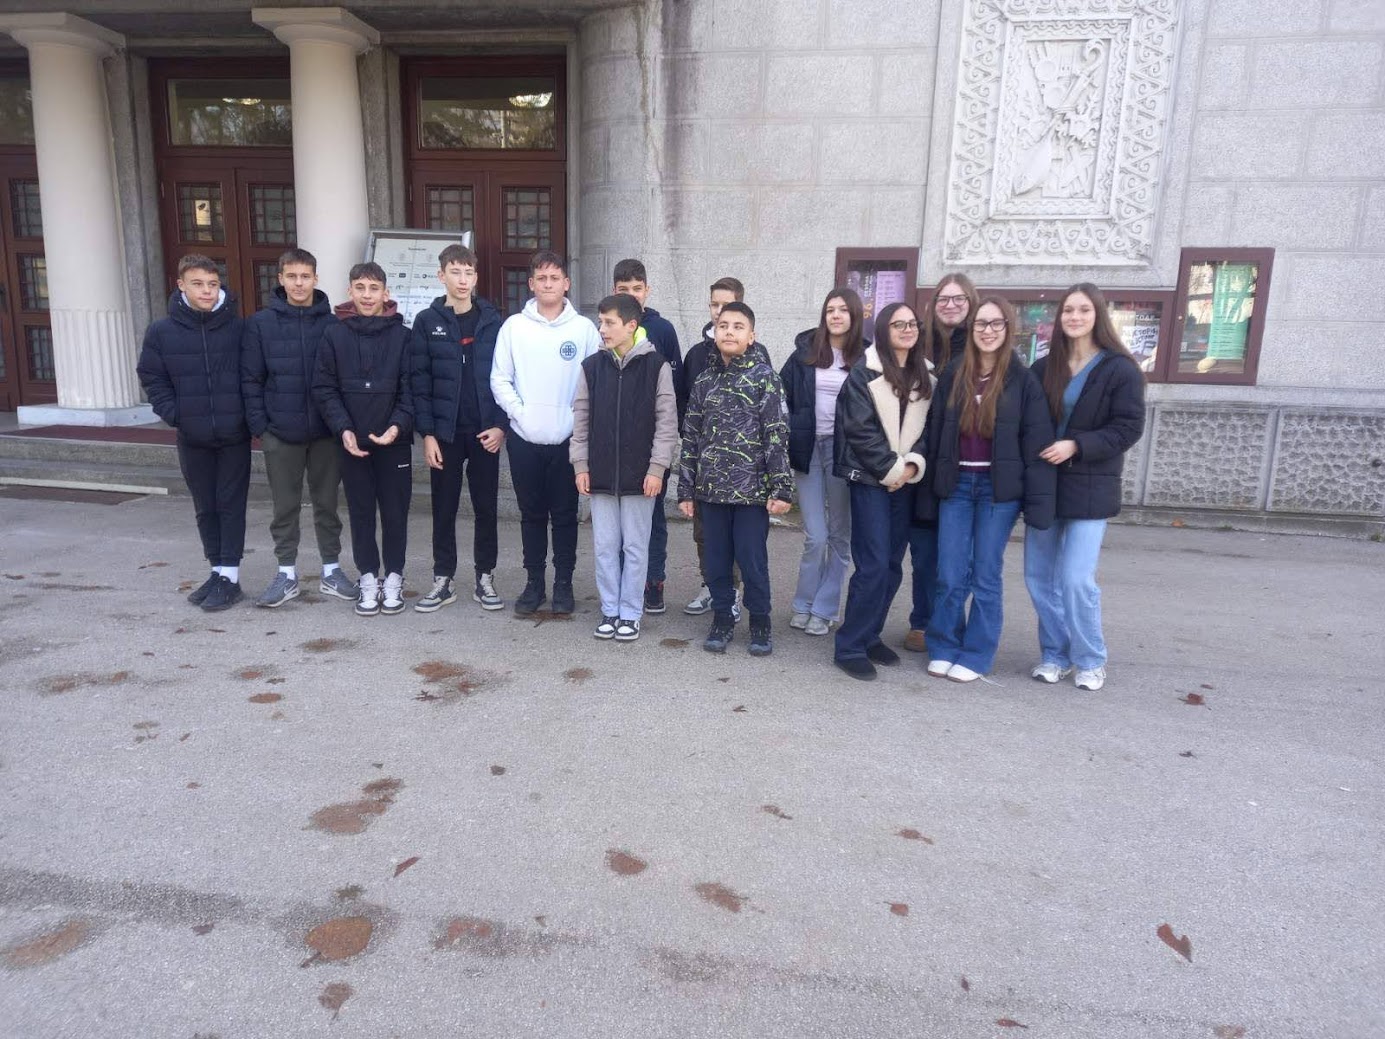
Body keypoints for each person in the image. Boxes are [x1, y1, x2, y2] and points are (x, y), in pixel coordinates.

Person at [918, 296, 1056, 683]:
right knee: (949, 573)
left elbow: (1036, 441)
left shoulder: (1022, 380)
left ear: (1008, 329)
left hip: (998, 492)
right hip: (957, 486)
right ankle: (944, 644)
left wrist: (1037, 502)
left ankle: (977, 653)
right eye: (981, 324)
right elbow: (935, 432)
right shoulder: (954, 374)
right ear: (972, 329)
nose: (988, 331)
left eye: (996, 324)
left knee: (985, 575)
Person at [1024, 283, 1146, 691]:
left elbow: (1128, 427)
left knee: (1076, 579)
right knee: (1039, 579)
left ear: (1098, 316)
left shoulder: (1120, 369)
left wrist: (1077, 445)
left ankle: (1090, 659)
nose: (1075, 317)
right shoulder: (1044, 368)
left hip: (1091, 487)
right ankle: (1055, 655)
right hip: (1045, 485)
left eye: (1084, 310)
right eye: (1068, 310)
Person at [241, 247, 356, 608]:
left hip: (325, 433)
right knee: (285, 507)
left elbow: (342, 379)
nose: (299, 283)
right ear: (280, 279)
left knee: (327, 505)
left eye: (305, 276)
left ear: (316, 279)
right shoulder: (261, 324)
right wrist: (262, 427)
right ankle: (286, 574)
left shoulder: (333, 325)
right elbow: (251, 379)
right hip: (281, 433)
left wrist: (340, 425)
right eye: (291, 276)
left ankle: (331, 571)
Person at [677, 302, 793, 656]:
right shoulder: (704, 381)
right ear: (715, 332)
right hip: (710, 492)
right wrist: (686, 489)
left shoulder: (765, 378)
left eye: (738, 326)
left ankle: (760, 620)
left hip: (750, 493)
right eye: (723, 325)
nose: (729, 331)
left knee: (751, 560)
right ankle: (723, 618)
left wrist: (781, 487)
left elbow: (776, 435)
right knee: (716, 561)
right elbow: (691, 436)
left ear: (751, 335)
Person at [490, 250, 601, 616]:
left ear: (566, 283)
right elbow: (499, 379)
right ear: (531, 284)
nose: (548, 284)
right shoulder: (513, 328)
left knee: (566, 516)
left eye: (555, 278)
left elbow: (594, 382)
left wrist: (575, 421)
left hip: (568, 440)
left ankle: (563, 583)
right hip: (525, 439)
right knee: (531, 515)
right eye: (542, 278)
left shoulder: (584, 330)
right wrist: (520, 413)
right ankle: (534, 582)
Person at [137, 254, 249, 613]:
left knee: (231, 505)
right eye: (198, 284)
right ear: (181, 285)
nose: (206, 291)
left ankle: (230, 576)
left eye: (213, 284)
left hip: (233, 434)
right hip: (192, 435)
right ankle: (216, 571)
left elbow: (253, 375)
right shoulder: (161, 332)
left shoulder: (238, 328)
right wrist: (176, 414)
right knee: (205, 506)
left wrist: (245, 417)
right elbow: (152, 377)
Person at [831, 303, 932, 681]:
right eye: (897, 324)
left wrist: (911, 467)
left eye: (912, 323)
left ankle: (870, 635)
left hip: (905, 481)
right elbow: (859, 429)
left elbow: (930, 430)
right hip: (871, 479)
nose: (907, 329)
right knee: (872, 566)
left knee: (891, 565)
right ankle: (849, 645)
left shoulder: (927, 376)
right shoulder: (864, 373)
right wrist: (892, 470)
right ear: (884, 331)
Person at [571, 293, 678, 642]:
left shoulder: (657, 367)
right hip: (600, 473)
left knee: (635, 547)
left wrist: (657, 468)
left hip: (640, 476)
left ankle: (630, 612)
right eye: (600, 322)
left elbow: (667, 424)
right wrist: (581, 464)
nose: (602, 329)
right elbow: (580, 420)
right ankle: (610, 609)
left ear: (631, 325)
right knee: (604, 547)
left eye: (609, 323)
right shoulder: (591, 367)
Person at [312, 263, 414, 617]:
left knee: (395, 513)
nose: (367, 295)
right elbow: (324, 388)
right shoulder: (333, 335)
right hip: (352, 443)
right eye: (360, 287)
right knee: (361, 513)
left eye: (374, 288)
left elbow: (411, 389)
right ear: (350, 291)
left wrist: (397, 427)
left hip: (394, 442)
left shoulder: (403, 336)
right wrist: (344, 429)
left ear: (385, 293)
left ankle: (394, 577)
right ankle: (368, 577)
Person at [410, 243, 507, 615]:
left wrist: (501, 427)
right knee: (444, 508)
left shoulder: (493, 321)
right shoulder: (426, 321)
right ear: (441, 276)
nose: (463, 280)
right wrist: (427, 434)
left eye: (468, 272)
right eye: (455, 272)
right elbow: (419, 381)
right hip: (445, 435)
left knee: (486, 509)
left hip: (484, 433)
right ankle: (443, 579)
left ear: (476, 276)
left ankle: (485, 577)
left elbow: (508, 377)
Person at [780, 288, 865, 637]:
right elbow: (781, 395)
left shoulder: (866, 358)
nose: (836, 315)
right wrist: (791, 428)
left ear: (854, 315)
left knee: (839, 535)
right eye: (830, 309)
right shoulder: (805, 352)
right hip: (809, 449)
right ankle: (803, 603)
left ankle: (825, 609)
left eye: (843, 310)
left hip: (844, 452)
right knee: (815, 535)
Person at [681, 276, 767, 618]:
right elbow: (688, 413)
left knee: (744, 543)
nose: (719, 312)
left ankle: (739, 595)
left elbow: (770, 423)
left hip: (746, 476)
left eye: (727, 305)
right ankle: (713, 587)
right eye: (714, 305)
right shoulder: (697, 356)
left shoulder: (759, 360)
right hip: (708, 472)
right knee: (706, 537)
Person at [904, 272, 979, 652]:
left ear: (971, 303)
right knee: (923, 554)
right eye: (944, 299)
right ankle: (922, 621)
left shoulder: (981, 347)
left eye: (959, 299)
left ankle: (949, 624)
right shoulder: (917, 344)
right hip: (918, 462)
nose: (951, 305)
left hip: (962, 465)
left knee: (957, 558)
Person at [612, 258, 683, 616]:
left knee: (652, 518)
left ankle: (653, 581)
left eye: (637, 289)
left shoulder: (663, 330)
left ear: (647, 290)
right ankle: (624, 581)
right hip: (615, 446)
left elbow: (675, 392)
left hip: (653, 446)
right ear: (614, 291)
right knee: (619, 520)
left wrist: (668, 445)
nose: (631, 294)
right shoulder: (607, 328)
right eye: (623, 289)